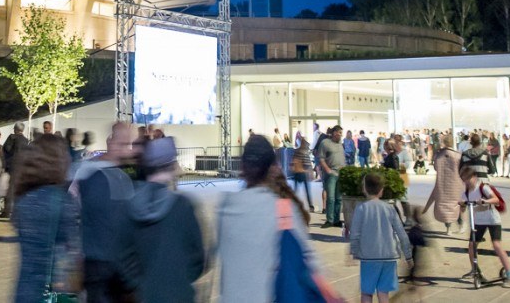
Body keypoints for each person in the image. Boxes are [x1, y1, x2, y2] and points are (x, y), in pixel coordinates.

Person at [218, 135, 328, 302]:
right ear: (273, 166)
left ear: (243, 166)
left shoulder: (225, 207)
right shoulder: (283, 209)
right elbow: (310, 265)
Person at [129, 137, 205, 303]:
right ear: (172, 165)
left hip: (146, 295)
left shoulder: (131, 205)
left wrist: (140, 284)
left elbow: (125, 258)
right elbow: (199, 257)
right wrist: (182, 279)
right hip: (179, 295)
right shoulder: (182, 206)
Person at [71, 121, 139, 303]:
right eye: (126, 144)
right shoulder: (92, 173)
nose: (131, 150)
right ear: (112, 142)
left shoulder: (120, 176)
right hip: (100, 264)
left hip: (108, 265)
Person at [12, 135, 81, 303]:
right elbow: (73, 249)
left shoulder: (24, 198)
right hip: (54, 292)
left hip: (25, 288)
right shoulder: (63, 200)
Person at [349, 171, 413, 303]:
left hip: (369, 258)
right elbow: (402, 233)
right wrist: (408, 256)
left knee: (366, 293)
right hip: (389, 257)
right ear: (381, 190)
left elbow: (354, 234)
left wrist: (354, 252)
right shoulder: (390, 208)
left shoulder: (361, 208)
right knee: (383, 293)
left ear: (364, 189)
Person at [460, 166, 510, 288]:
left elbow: (496, 200)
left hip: (492, 220)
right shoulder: (466, 193)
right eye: (464, 180)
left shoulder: (483, 187)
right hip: (478, 222)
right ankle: (476, 271)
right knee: (471, 246)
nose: (467, 182)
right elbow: (463, 207)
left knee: (496, 245)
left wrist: (485, 201)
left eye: (468, 179)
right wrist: (461, 205)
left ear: (474, 177)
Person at [422, 134, 464, 234]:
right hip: (456, 183)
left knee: (444, 204)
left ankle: (448, 228)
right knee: (457, 203)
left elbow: (436, 168)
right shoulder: (458, 155)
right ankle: (461, 224)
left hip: (442, 182)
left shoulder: (438, 155)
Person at [1, 121, 29, 220]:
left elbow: (6, 150)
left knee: (9, 189)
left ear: (15, 129)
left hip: (11, 167)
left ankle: (7, 211)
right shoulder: (26, 140)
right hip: (22, 168)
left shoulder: (12, 138)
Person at [290, 139, 315, 212]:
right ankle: (311, 206)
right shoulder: (305, 153)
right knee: (307, 191)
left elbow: (293, 161)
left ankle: (293, 204)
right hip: (303, 173)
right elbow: (308, 164)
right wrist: (310, 172)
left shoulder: (297, 151)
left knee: (295, 190)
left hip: (297, 173)